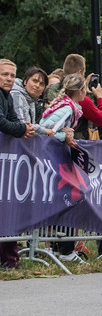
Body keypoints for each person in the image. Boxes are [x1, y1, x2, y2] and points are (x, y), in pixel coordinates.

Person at [0, 59, 35, 270]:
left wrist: (25, 127)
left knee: (8, 209)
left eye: (12, 76)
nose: (9, 79)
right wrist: (21, 129)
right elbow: (2, 123)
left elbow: (12, 119)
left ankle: (9, 258)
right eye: (5, 74)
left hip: (7, 166)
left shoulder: (7, 97)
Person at [10, 66, 54, 137]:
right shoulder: (16, 95)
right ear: (25, 81)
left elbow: (32, 126)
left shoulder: (31, 99)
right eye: (35, 81)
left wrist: (53, 126)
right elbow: (22, 125)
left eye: (41, 84)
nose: (37, 86)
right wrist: (45, 131)